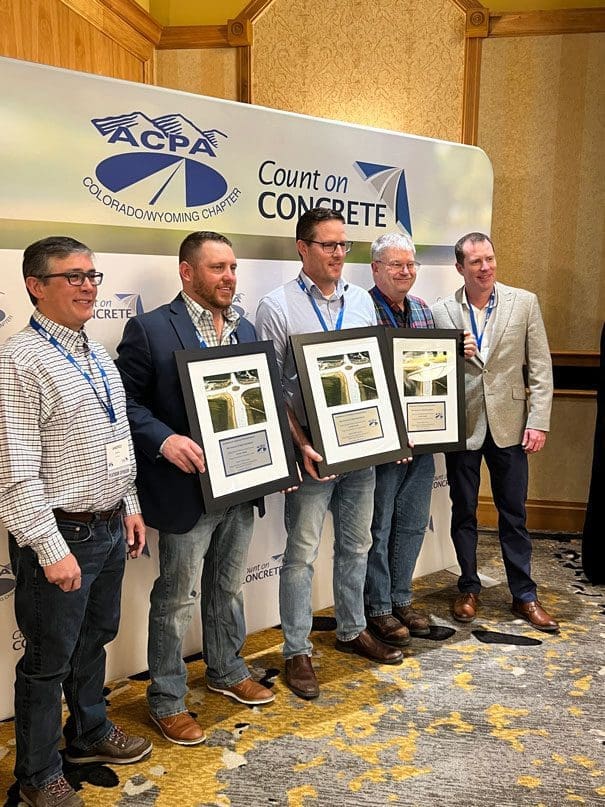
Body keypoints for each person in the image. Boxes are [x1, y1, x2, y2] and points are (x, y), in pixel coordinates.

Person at [0, 236, 151, 807]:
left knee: (94, 640)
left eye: (92, 275)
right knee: (47, 662)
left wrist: (130, 504)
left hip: (108, 526)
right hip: (63, 534)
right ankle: (38, 776)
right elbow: (13, 470)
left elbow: (117, 438)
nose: (88, 286)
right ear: (36, 287)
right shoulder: (19, 360)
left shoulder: (95, 352)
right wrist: (48, 546)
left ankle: (88, 732)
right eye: (73, 277)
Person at [115, 231, 274, 748]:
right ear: (187, 272)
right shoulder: (150, 329)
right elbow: (124, 404)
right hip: (186, 490)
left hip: (240, 482)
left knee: (227, 586)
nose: (229, 277)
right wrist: (164, 440)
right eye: (217, 268)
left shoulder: (244, 327)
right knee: (177, 597)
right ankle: (166, 698)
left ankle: (226, 669)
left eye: (233, 267)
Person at [256, 208, 404, 701]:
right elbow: (271, 386)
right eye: (329, 245)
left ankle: (352, 628)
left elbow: (373, 374)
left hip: (360, 449)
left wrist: (389, 435)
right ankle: (297, 649)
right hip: (313, 455)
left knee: (357, 545)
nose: (339, 254)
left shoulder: (361, 301)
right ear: (303, 248)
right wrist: (300, 443)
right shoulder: (277, 306)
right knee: (300, 554)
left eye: (344, 245)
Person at [432, 232, 559, 632]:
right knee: (464, 511)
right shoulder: (440, 312)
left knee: (514, 514)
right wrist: (451, 353)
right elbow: (430, 372)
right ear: (460, 268)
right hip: (463, 427)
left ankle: (524, 595)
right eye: (475, 262)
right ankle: (468, 587)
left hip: (512, 425)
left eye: (489, 259)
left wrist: (538, 420)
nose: (485, 267)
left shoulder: (524, 303)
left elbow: (540, 368)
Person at [364, 233, 477, 645]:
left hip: (423, 440)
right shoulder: (363, 309)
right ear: (376, 269)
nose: (405, 271)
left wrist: (459, 350)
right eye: (396, 264)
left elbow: (436, 370)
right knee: (379, 527)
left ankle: (401, 598)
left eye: (410, 264)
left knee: (412, 525)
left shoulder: (424, 312)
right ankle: (378, 607)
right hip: (384, 442)